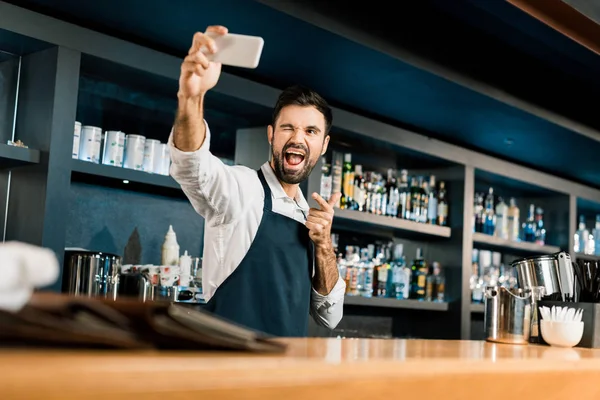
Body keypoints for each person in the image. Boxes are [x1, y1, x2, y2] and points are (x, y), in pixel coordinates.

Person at [168, 25, 346, 337]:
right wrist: (191, 97)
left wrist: (323, 245)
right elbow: (192, 165)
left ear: (324, 145)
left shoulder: (311, 218)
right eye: (288, 127)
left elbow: (329, 317)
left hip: (285, 373)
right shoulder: (242, 189)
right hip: (228, 366)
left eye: (311, 131)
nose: (298, 138)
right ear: (271, 135)